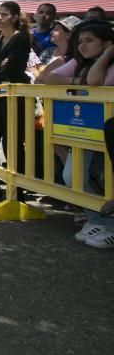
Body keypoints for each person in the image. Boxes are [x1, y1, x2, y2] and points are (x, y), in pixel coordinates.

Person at [46, 21, 114, 248]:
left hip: (107, 134)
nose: (83, 46)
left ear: (106, 43)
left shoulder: (109, 61)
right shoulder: (79, 62)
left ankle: (111, 227)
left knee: (106, 180)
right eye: (80, 41)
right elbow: (50, 78)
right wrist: (78, 80)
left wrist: (107, 55)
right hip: (84, 131)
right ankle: (96, 220)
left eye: (90, 41)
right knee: (72, 176)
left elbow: (97, 81)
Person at [0, 1, 32, 178]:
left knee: (12, 141)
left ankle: (17, 188)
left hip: (16, 96)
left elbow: (11, 69)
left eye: (4, 14)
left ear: (15, 17)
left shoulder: (21, 38)